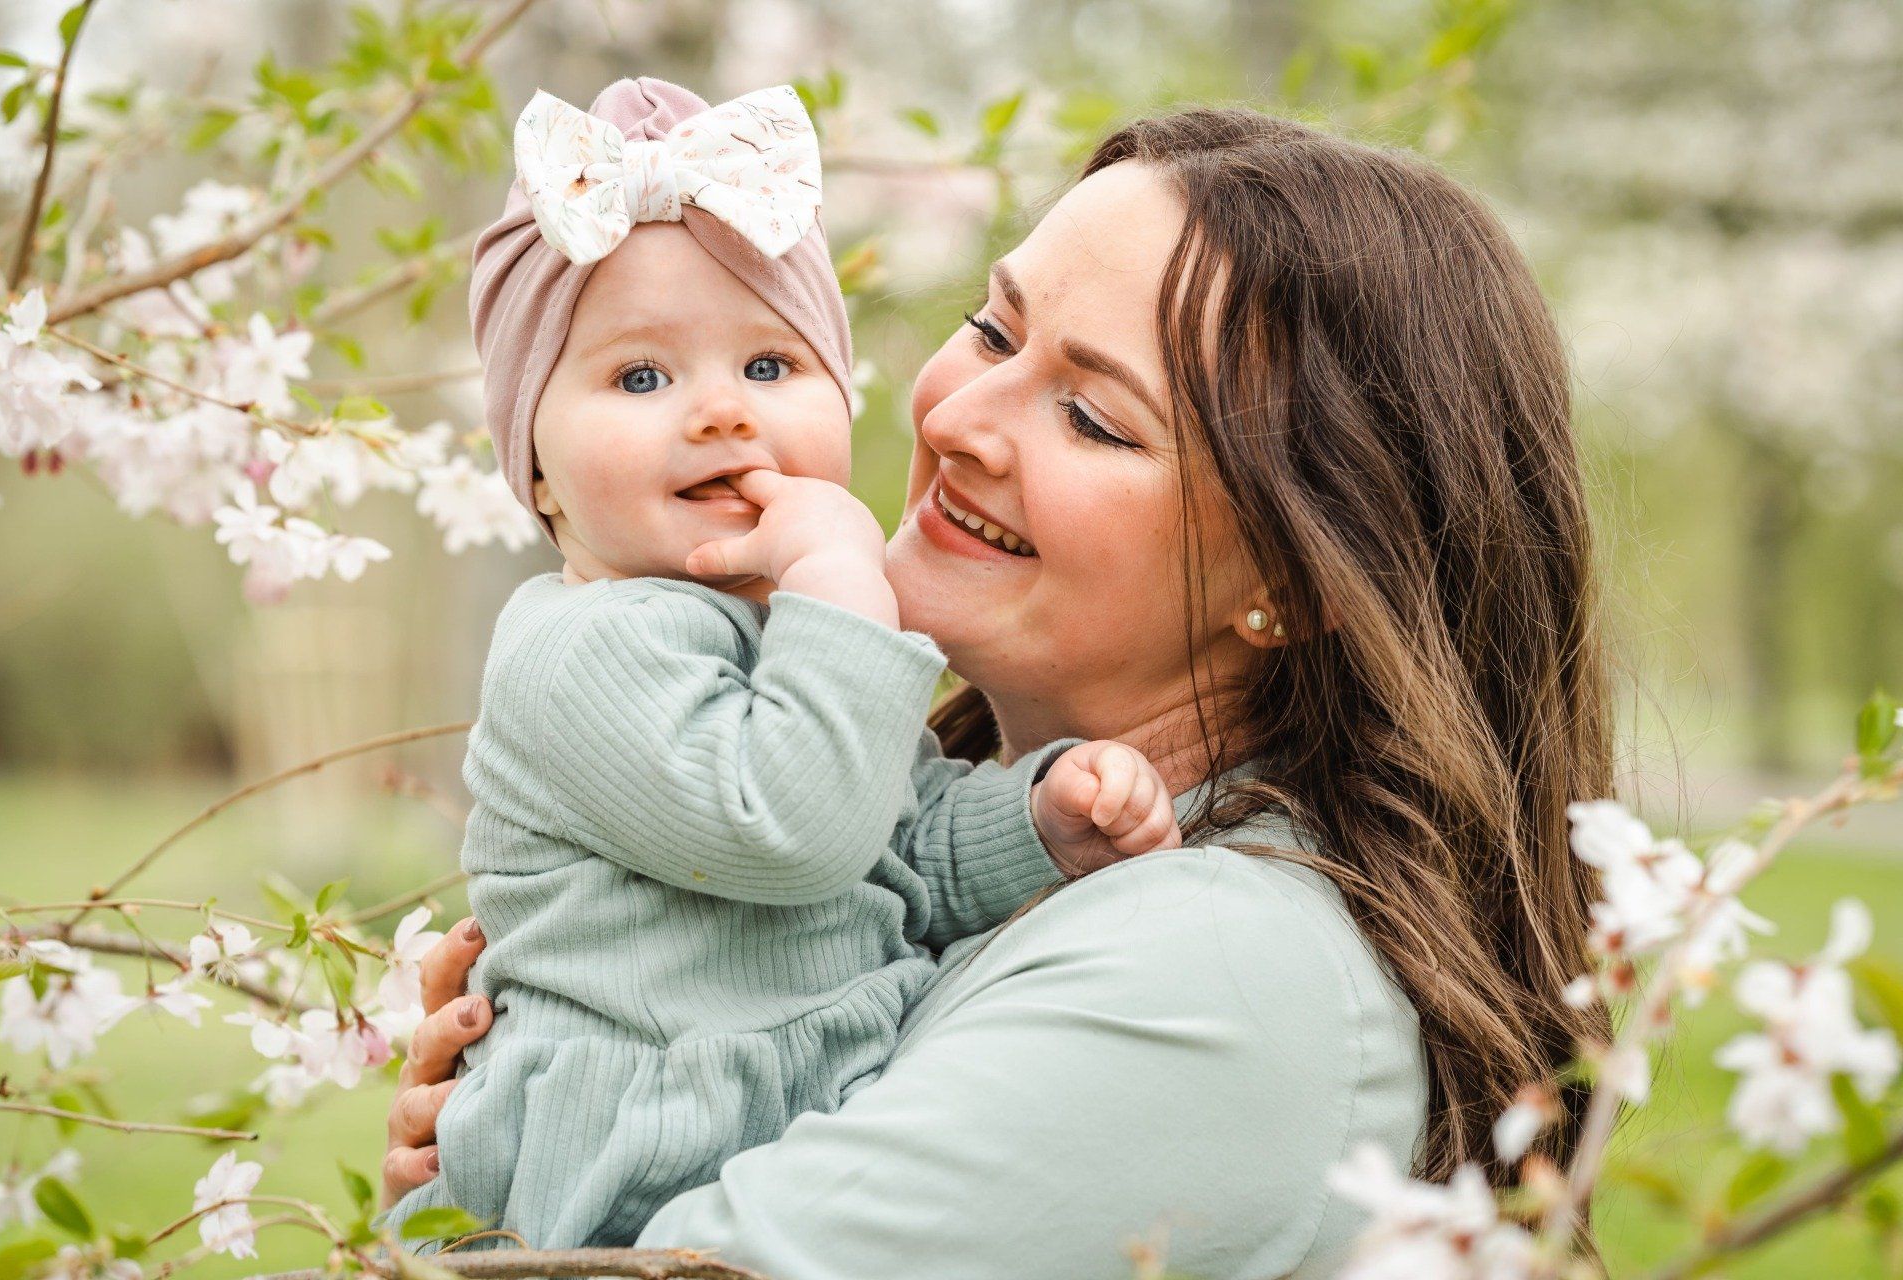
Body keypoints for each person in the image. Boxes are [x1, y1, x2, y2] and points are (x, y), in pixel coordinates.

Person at [382, 105, 1615, 1279]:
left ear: (1294, 581)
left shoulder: (1218, 979)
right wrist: (492, 1163)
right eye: (989, 328)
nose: (960, 415)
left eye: (1091, 415)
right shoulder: (988, 832)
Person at [378, 76, 1181, 1252]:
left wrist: (1038, 821)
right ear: (536, 471)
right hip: (632, 1159)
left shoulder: (786, 651)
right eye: (639, 377)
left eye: (769, 366)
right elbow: (793, 827)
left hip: (763, 1117)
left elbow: (889, 848)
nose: (720, 413)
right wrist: (845, 581)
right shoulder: (584, 649)